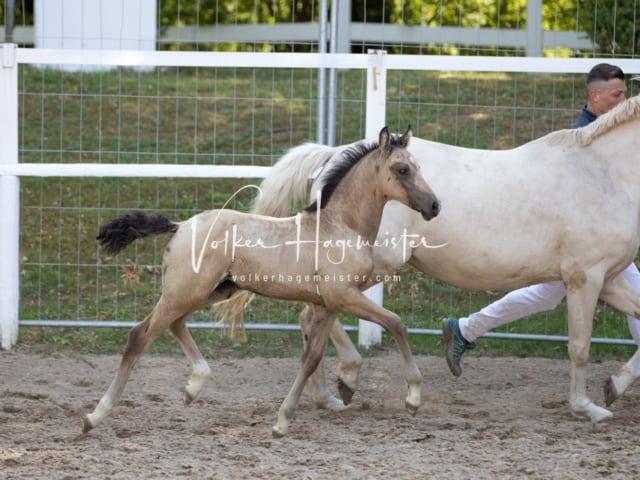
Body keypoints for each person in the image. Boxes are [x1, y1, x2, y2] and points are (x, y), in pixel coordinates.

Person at [442, 63, 640, 377]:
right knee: (550, 295)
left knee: (544, 296)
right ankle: (465, 329)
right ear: (595, 96)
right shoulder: (584, 139)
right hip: (584, 241)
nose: (623, 101)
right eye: (616, 95)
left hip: (598, 240)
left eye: (624, 95)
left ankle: (465, 329)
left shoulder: (619, 136)